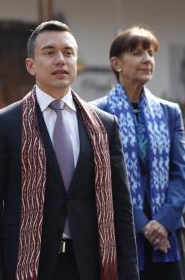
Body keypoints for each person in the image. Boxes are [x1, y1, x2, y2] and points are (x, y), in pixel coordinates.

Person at [0, 20, 139, 280]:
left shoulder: (104, 126)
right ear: (31, 65)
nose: (60, 59)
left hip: (91, 264)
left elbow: (121, 208)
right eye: (49, 52)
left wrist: (129, 273)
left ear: (77, 64)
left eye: (68, 52)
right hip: (27, 265)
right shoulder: (4, 124)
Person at [92, 26, 185, 279]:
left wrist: (163, 222)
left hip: (166, 234)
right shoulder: (95, 113)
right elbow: (102, 179)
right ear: (116, 63)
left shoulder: (170, 112)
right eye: (137, 53)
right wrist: (144, 225)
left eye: (150, 53)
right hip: (121, 229)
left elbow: (181, 173)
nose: (147, 59)